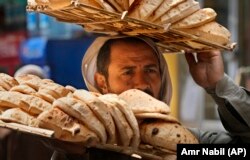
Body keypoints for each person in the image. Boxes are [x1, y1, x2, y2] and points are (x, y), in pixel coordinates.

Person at [52, 36, 250, 159]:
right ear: (102, 82)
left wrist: (217, 85)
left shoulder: (185, 145)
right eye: (128, 72)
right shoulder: (82, 146)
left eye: (150, 70)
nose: (142, 83)